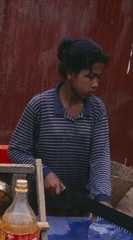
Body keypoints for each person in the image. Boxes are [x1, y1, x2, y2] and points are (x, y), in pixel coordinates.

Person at [8, 38, 111, 215]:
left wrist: (102, 198)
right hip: (38, 208)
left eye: (98, 78)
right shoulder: (40, 105)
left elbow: (99, 158)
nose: (95, 84)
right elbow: (16, 150)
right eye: (90, 76)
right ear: (70, 73)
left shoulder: (97, 110)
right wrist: (43, 172)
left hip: (79, 210)